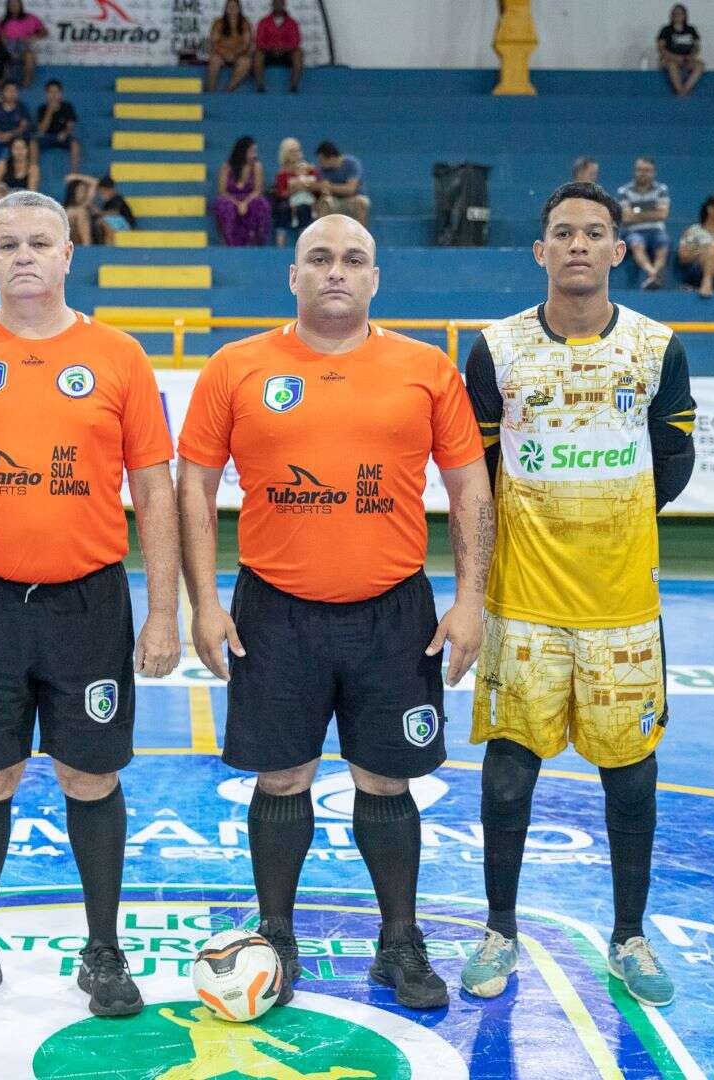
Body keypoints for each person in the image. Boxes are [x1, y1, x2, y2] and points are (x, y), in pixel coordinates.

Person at [178, 213, 493, 1012]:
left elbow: (469, 487)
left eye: (353, 259)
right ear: (294, 276)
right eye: (319, 258)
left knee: (387, 779)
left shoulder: (425, 369)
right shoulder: (236, 366)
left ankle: (400, 942)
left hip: (395, 612)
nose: (336, 271)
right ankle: (276, 936)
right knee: (282, 775)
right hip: (273, 611)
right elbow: (193, 486)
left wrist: (471, 601)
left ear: (375, 278)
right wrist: (204, 602)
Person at [0, 190, 179, 1019]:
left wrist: (164, 611)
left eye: (40, 242)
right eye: (8, 243)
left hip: (88, 603)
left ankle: (104, 952)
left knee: (91, 775)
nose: (24, 255)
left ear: (67, 255)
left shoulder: (118, 356)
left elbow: (155, 495)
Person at [459, 180, 696, 1011]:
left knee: (630, 780)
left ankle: (629, 935)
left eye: (594, 233)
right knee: (507, 779)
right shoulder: (495, 349)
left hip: (622, 606)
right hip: (522, 601)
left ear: (619, 250)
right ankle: (499, 930)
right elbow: (479, 473)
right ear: (540, 250)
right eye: (563, 233)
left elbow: (673, 460)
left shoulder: (657, 347)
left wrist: (611, 523)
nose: (578, 246)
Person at [616, 156, 671, 289]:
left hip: (656, 231)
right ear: (635, 171)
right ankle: (652, 273)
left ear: (653, 172)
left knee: (664, 242)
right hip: (633, 231)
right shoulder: (624, 191)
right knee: (636, 243)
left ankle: (652, 276)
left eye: (647, 170)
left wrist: (636, 213)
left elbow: (663, 214)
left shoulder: (661, 189)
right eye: (640, 170)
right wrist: (652, 213)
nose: (643, 173)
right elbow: (626, 217)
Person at [215, 135, 268, 247]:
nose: (255, 155)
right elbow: (222, 191)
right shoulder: (227, 167)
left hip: (250, 197)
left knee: (260, 204)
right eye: (252, 151)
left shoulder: (257, 166)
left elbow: (257, 190)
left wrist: (245, 203)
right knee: (225, 206)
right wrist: (237, 204)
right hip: (231, 198)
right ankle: (229, 243)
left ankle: (255, 242)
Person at [0, 78, 30, 181]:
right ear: (3, 92)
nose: (11, 93)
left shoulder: (22, 107)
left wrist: (10, 134)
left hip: (14, 137)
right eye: (8, 90)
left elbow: (23, 127)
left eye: (14, 91)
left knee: (18, 144)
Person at [272, 136, 316, 246]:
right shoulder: (282, 174)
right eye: (292, 151)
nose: (296, 154)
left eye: (298, 150)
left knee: (303, 208)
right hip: (289, 201)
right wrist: (294, 190)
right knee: (282, 208)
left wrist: (306, 186)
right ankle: (280, 246)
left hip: (306, 200)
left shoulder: (309, 169)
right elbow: (281, 193)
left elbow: (315, 186)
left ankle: (304, 245)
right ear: (285, 154)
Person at [312, 141, 368, 226]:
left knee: (361, 202)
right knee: (325, 203)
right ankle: (322, 232)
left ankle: (360, 233)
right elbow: (319, 186)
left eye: (321, 160)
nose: (320, 163)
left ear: (331, 158)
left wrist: (329, 186)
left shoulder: (352, 164)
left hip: (354, 198)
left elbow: (350, 189)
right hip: (334, 199)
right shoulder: (321, 169)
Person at [252, 0, 302, 93]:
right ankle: (260, 86)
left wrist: (284, 48)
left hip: (286, 54)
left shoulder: (292, 22)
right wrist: (271, 48)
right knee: (257, 53)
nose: (278, 5)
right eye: (275, 3)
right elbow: (259, 41)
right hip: (268, 53)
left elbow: (296, 41)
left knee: (298, 53)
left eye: (280, 3)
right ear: (272, 5)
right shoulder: (264, 21)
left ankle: (294, 86)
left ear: (284, 4)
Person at [655, 4, 702, 97]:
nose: (677, 16)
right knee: (672, 65)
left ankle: (685, 90)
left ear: (685, 16)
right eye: (675, 14)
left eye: (680, 13)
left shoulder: (691, 29)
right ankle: (679, 90)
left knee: (700, 66)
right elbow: (661, 48)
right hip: (670, 59)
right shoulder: (666, 30)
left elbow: (696, 46)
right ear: (671, 16)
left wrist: (691, 56)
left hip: (687, 59)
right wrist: (675, 57)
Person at [35, 77, 80, 174]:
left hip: (63, 136)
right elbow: (41, 130)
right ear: (46, 94)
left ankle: (74, 173)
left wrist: (65, 133)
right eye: (50, 92)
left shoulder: (67, 106)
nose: (53, 95)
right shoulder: (41, 108)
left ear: (61, 94)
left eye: (56, 92)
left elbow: (71, 125)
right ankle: (34, 170)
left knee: (75, 143)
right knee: (33, 143)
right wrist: (49, 111)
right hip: (47, 136)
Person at [205, 0, 251, 93]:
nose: (232, 9)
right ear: (225, 9)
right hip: (221, 54)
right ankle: (210, 92)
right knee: (214, 60)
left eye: (235, 7)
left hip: (238, 55)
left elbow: (246, 43)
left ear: (239, 9)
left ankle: (228, 90)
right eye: (230, 7)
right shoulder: (218, 22)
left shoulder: (245, 23)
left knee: (246, 62)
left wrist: (234, 54)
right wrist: (225, 54)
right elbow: (214, 43)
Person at [0, 0, 44, 88]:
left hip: (23, 48)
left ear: (21, 5)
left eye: (16, 4)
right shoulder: (4, 21)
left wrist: (33, 37)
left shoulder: (31, 18)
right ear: (8, 7)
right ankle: (2, 83)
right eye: (11, 5)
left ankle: (26, 83)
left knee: (30, 57)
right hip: (8, 48)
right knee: (0, 55)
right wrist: (2, 39)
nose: (14, 7)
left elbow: (44, 32)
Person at [0, 130, 36, 202]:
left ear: (27, 150)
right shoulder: (3, 164)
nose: (19, 152)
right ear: (11, 150)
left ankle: (13, 205)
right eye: (16, 148)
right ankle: (10, 204)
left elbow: (32, 191)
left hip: (23, 200)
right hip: (5, 197)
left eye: (22, 148)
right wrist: (2, 188)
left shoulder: (33, 168)